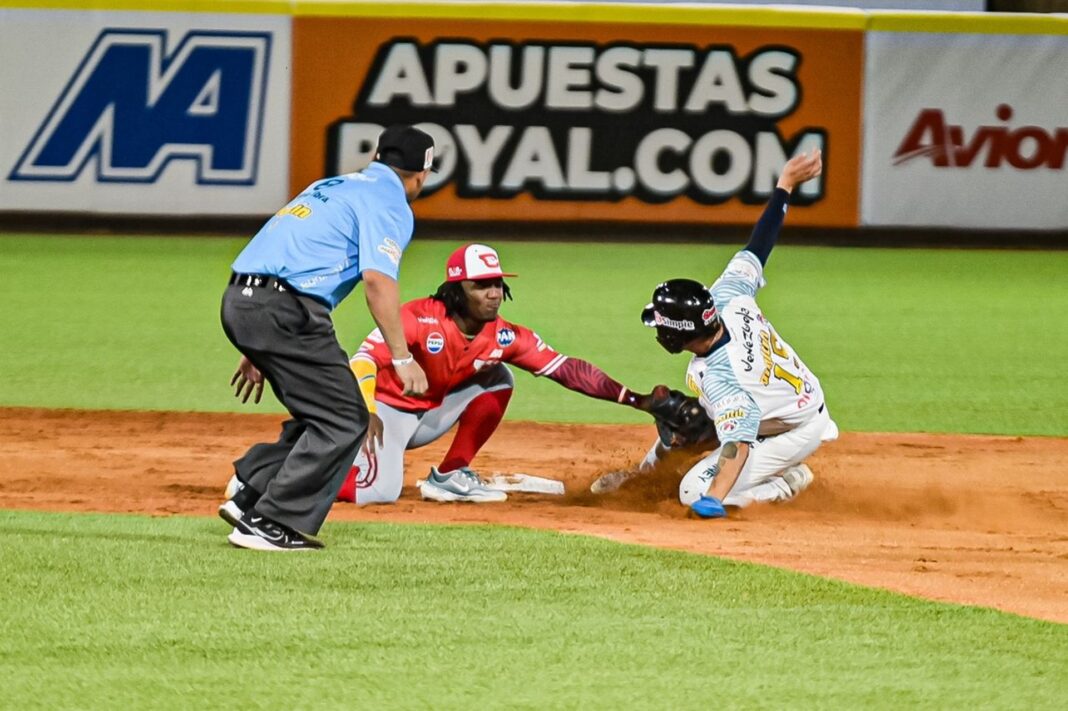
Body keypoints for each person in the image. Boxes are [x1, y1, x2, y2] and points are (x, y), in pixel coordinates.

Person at [218, 125, 434, 551]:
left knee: (321, 408)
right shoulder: (390, 201)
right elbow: (377, 280)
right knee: (346, 419)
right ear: (421, 175)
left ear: (378, 155)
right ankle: (268, 521)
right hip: (285, 309)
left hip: (242, 299)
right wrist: (401, 356)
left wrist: (258, 341)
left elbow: (289, 246)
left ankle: (251, 496)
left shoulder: (332, 185)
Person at [593, 149, 837, 518]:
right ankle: (641, 477)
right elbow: (759, 245)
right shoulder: (727, 297)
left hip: (791, 429)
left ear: (676, 334)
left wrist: (714, 498)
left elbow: (737, 445)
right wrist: (784, 185)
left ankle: (786, 481)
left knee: (692, 490)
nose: (657, 329)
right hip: (771, 402)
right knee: (684, 419)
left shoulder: (723, 378)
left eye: (661, 325)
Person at [334, 242, 661, 505]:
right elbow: (362, 360)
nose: (493, 293)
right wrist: (369, 408)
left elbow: (566, 369)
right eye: (481, 285)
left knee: (498, 377)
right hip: (382, 415)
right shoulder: (417, 318)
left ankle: (451, 474)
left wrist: (636, 399)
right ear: (458, 288)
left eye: (496, 283)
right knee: (378, 492)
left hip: (429, 414)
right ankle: (300, 479)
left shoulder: (504, 336)